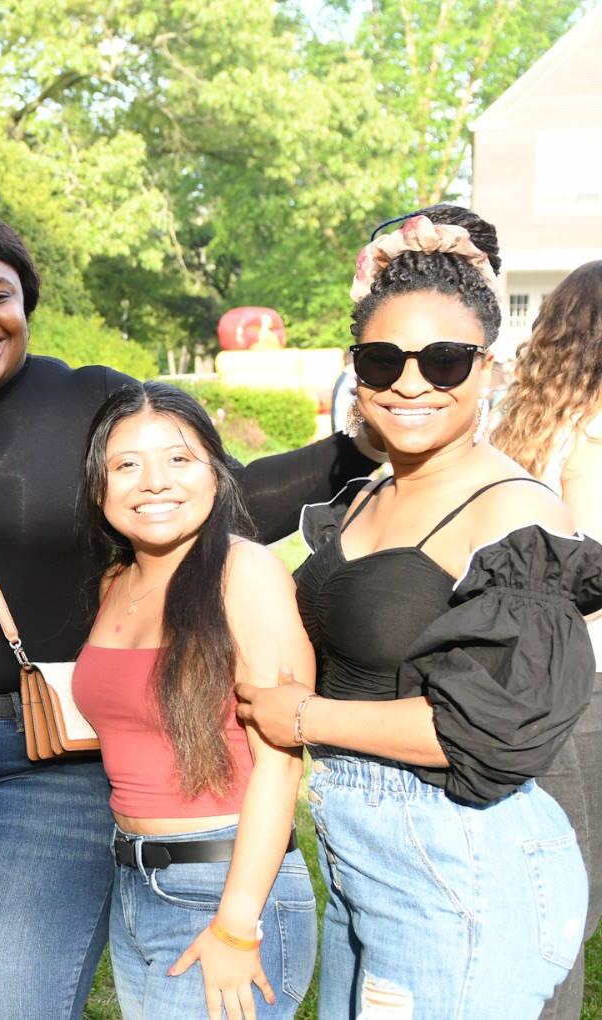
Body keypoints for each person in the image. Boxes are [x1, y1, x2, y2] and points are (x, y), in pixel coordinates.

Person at [0, 210, 377, 1019]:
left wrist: (364, 440)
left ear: (27, 301)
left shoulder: (92, 400)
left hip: (36, 764)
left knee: (3, 998)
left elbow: (214, 498)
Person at [237, 207, 599, 1016]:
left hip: (463, 872)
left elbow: (487, 730)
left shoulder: (514, 516)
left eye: (444, 361)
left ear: (490, 371)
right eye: (382, 358)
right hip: (364, 862)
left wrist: (304, 716)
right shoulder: (366, 494)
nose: (410, 382)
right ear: (353, 368)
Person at [75, 383, 316, 1020]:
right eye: (127, 465)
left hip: (225, 886)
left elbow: (282, 760)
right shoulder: (114, 583)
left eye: (179, 459)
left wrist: (237, 922)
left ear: (215, 471)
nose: (154, 482)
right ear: (100, 485)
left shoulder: (245, 572)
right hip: (134, 884)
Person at [489, 257, 602, 1020]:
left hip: (534, 677)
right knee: (572, 897)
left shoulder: (527, 424)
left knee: (548, 888)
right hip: (589, 689)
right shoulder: (592, 434)